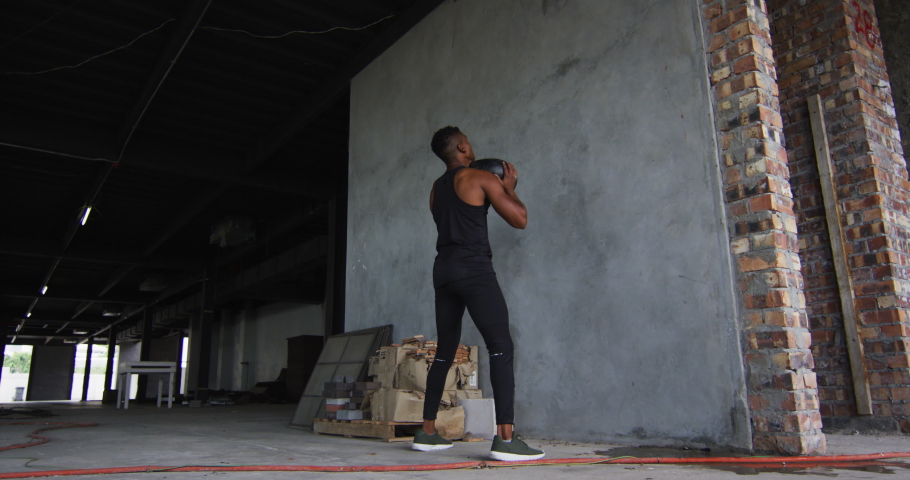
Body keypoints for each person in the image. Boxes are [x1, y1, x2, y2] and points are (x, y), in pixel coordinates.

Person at [411, 126, 544, 461]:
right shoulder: (479, 178)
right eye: (467, 140)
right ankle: (506, 439)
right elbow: (520, 219)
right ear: (462, 146)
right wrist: (508, 189)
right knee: (500, 346)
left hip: (443, 271)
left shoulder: (434, 189)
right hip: (473, 269)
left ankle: (427, 432)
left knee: (444, 350)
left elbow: (453, 219)